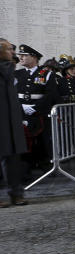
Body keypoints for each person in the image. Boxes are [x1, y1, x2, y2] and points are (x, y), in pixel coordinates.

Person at [14, 44, 59, 169]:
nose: (21, 58)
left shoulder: (46, 74)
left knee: (42, 140)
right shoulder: (17, 74)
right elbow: (11, 94)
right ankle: (26, 166)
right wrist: (20, 106)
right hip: (20, 112)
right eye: (20, 55)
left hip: (39, 113)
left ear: (34, 58)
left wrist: (35, 107)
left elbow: (51, 95)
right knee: (24, 140)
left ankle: (45, 165)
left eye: (24, 55)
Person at [1, 38, 28, 207]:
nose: (13, 52)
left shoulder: (10, 69)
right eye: (9, 49)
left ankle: (16, 193)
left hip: (11, 119)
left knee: (14, 158)